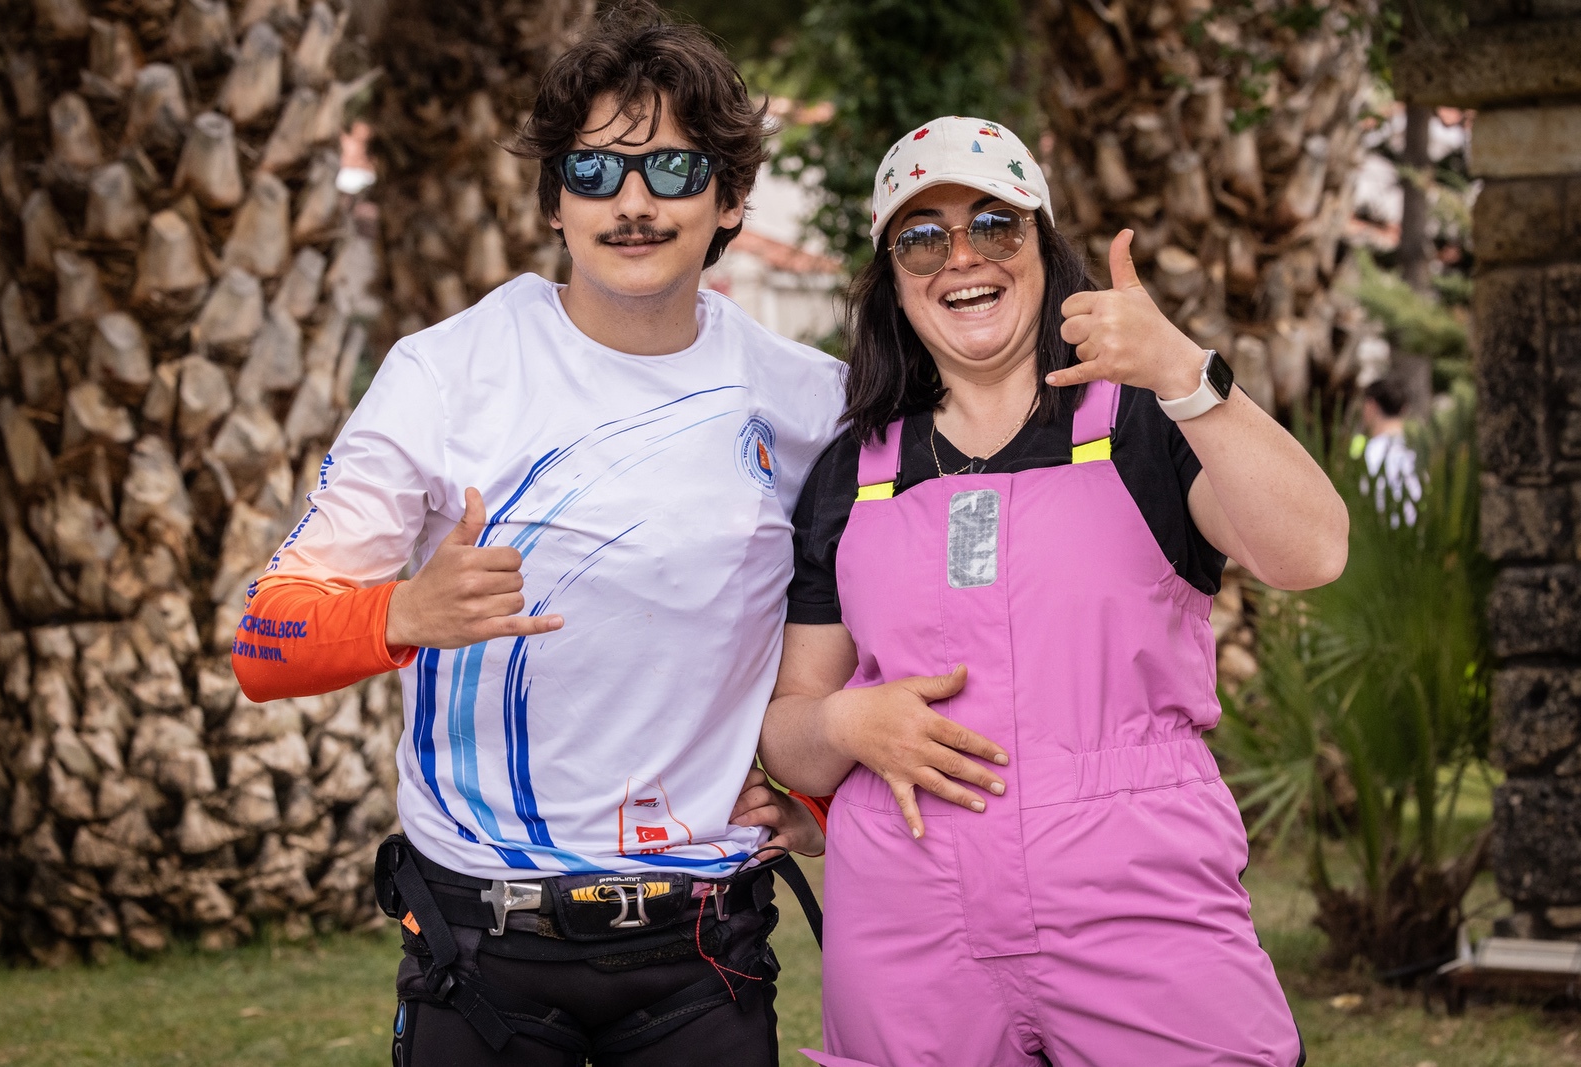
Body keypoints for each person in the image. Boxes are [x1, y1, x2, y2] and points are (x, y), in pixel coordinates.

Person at [231, 9, 840, 1065]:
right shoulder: (445, 372)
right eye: (594, 171)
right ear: (555, 200)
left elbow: (883, 614)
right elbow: (262, 643)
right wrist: (404, 611)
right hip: (482, 949)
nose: (633, 203)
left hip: (704, 946)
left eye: (673, 169)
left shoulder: (808, 399)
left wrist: (825, 799)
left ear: (731, 197)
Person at [757, 116, 1349, 1067]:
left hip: (1141, 900)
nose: (962, 257)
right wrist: (843, 724)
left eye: (994, 225)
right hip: (908, 921)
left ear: (1043, 246)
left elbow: (1311, 550)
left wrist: (1185, 374)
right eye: (922, 238)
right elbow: (791, 728)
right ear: (893, 280)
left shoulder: (1149, 423)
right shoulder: (850, 473)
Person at [1358, 377, 1422, 526]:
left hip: (1380, 531)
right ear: (1404, 408)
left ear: (1371, 406)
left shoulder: (1369, 453)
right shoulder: (1419, 450)